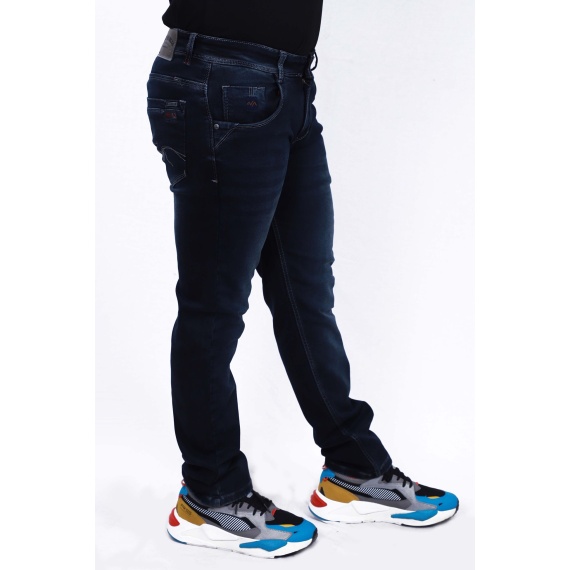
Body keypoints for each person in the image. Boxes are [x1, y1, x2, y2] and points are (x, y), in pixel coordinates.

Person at [146, 0, 459, 558]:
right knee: (214, 308)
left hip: (288, 86)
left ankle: (352, 471)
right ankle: (208, 496)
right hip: (217, 78)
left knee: (306, 294)